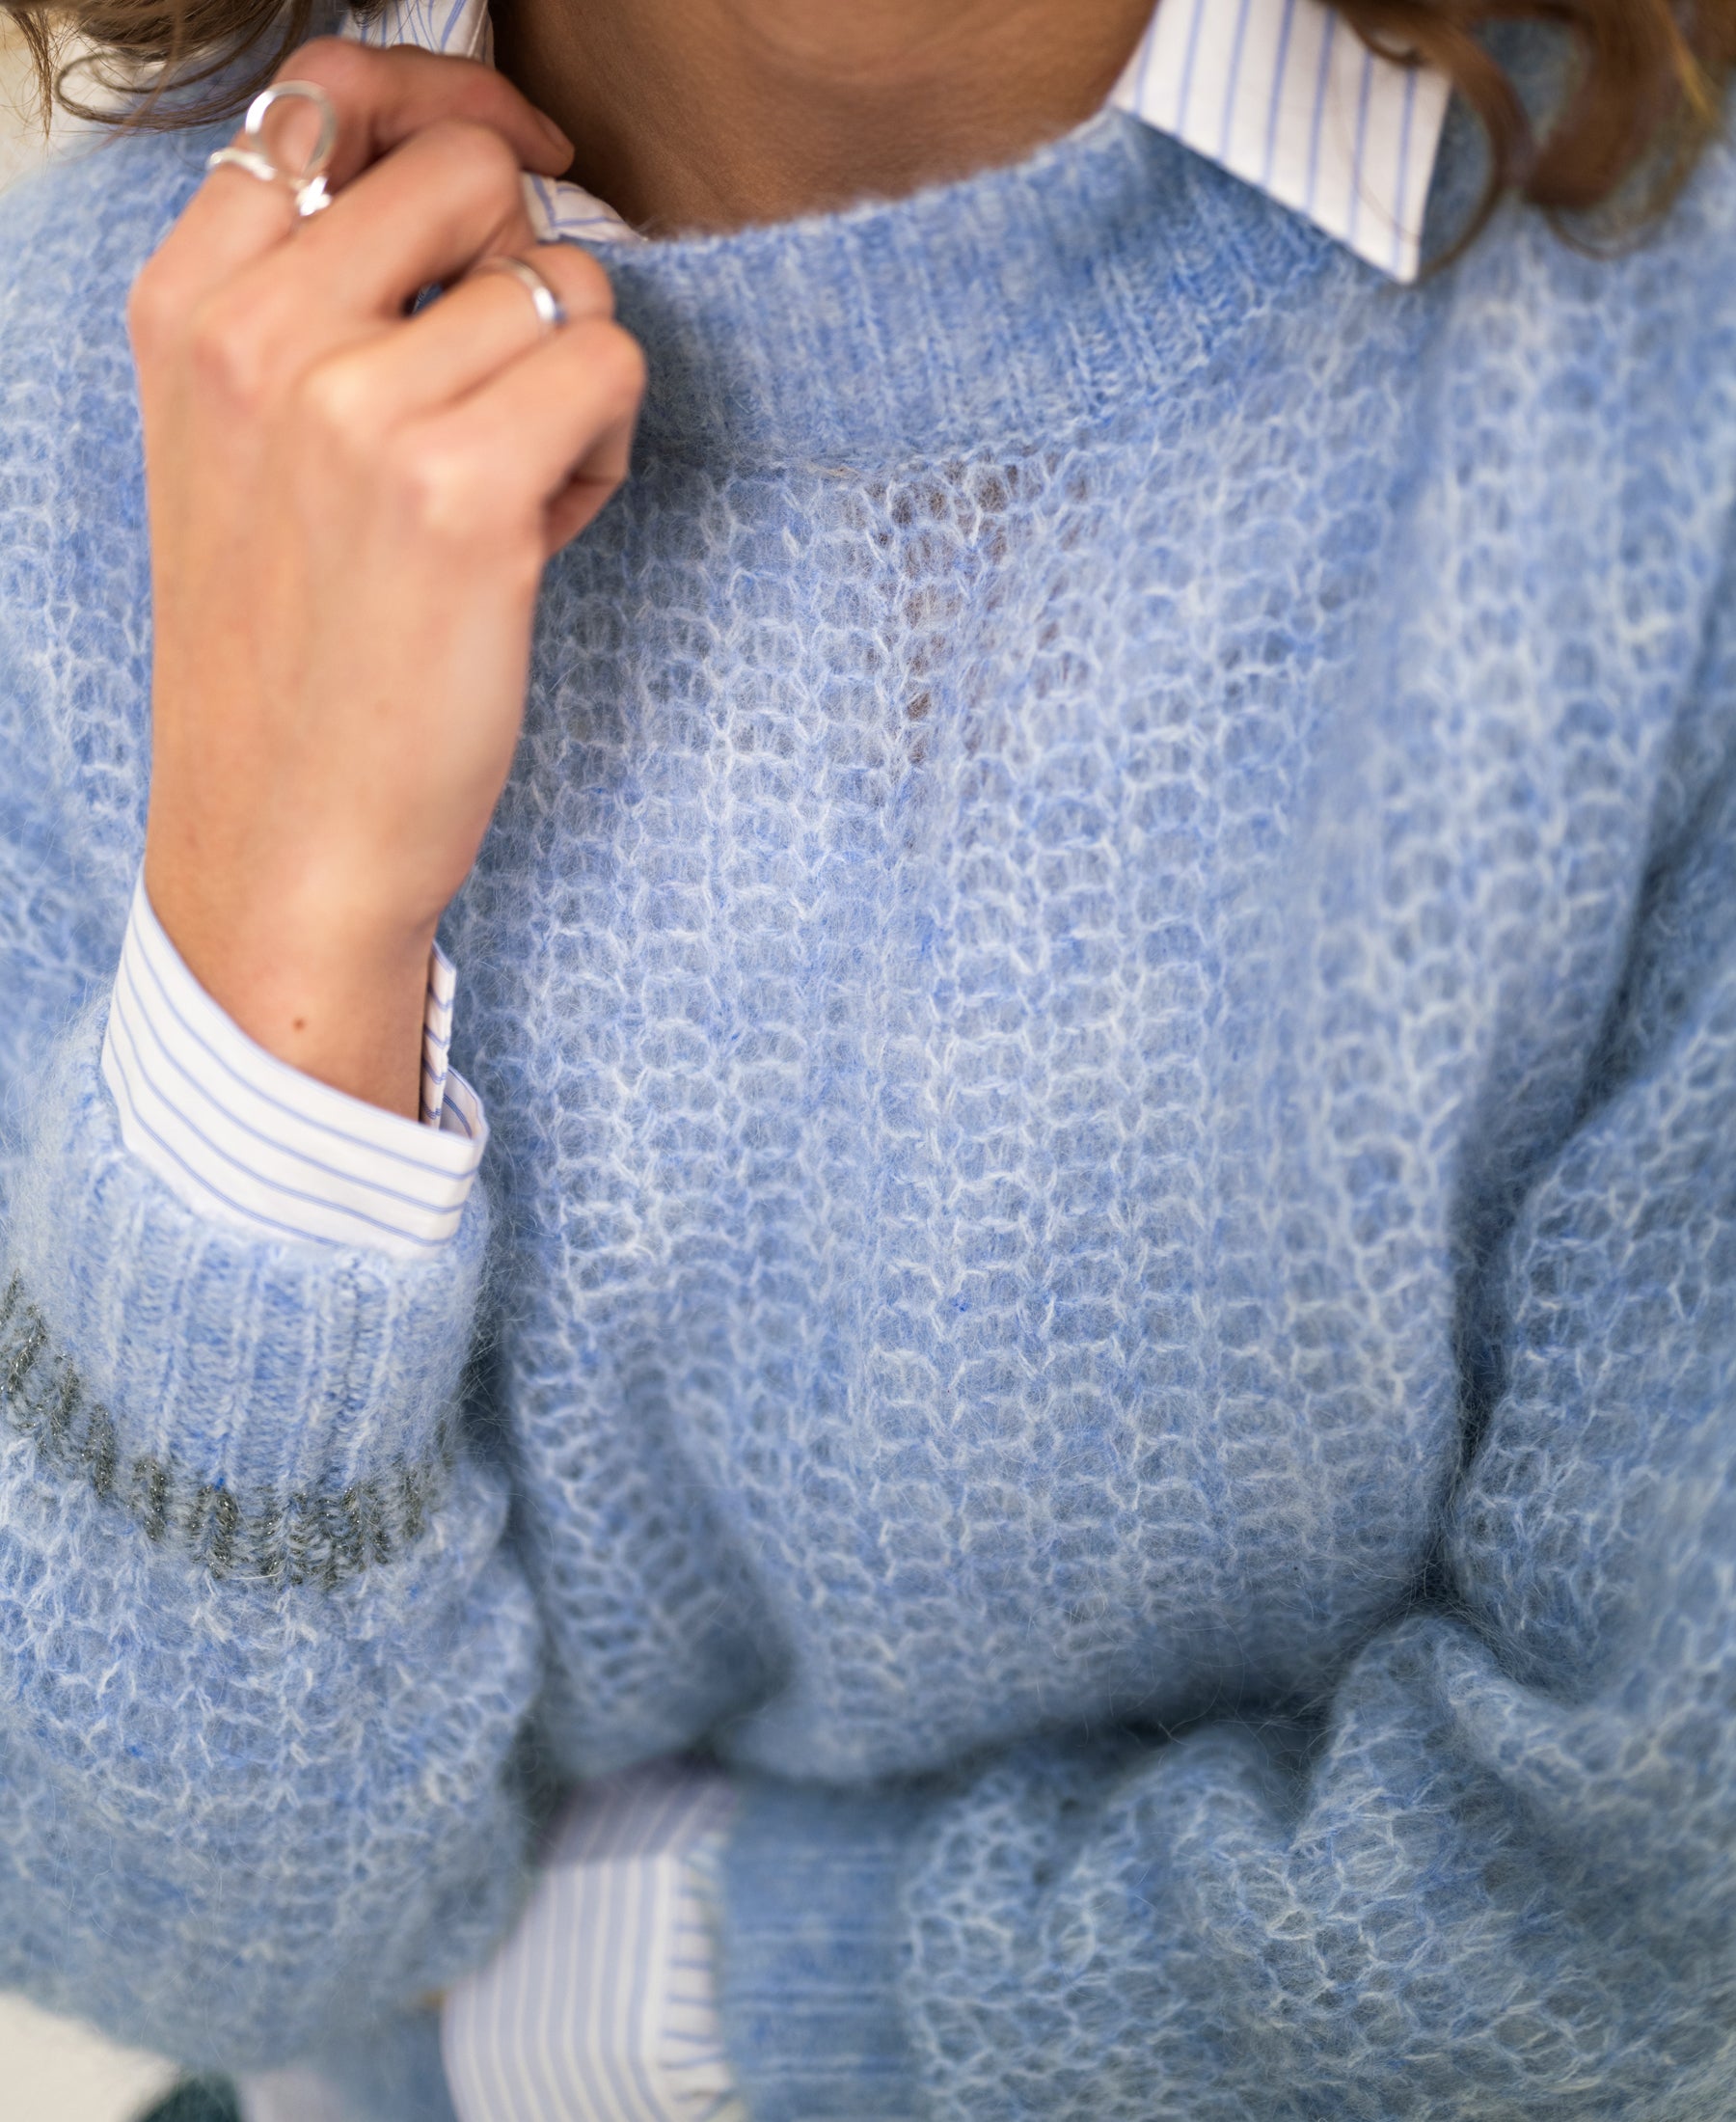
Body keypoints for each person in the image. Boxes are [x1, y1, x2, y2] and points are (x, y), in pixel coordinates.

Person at [1, 0, 1734, 2114]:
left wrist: (675, 1996)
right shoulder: (154, 341)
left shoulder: (1683, 374)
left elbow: (1630, 1885)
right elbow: (147, 1922)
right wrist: (265, 958)